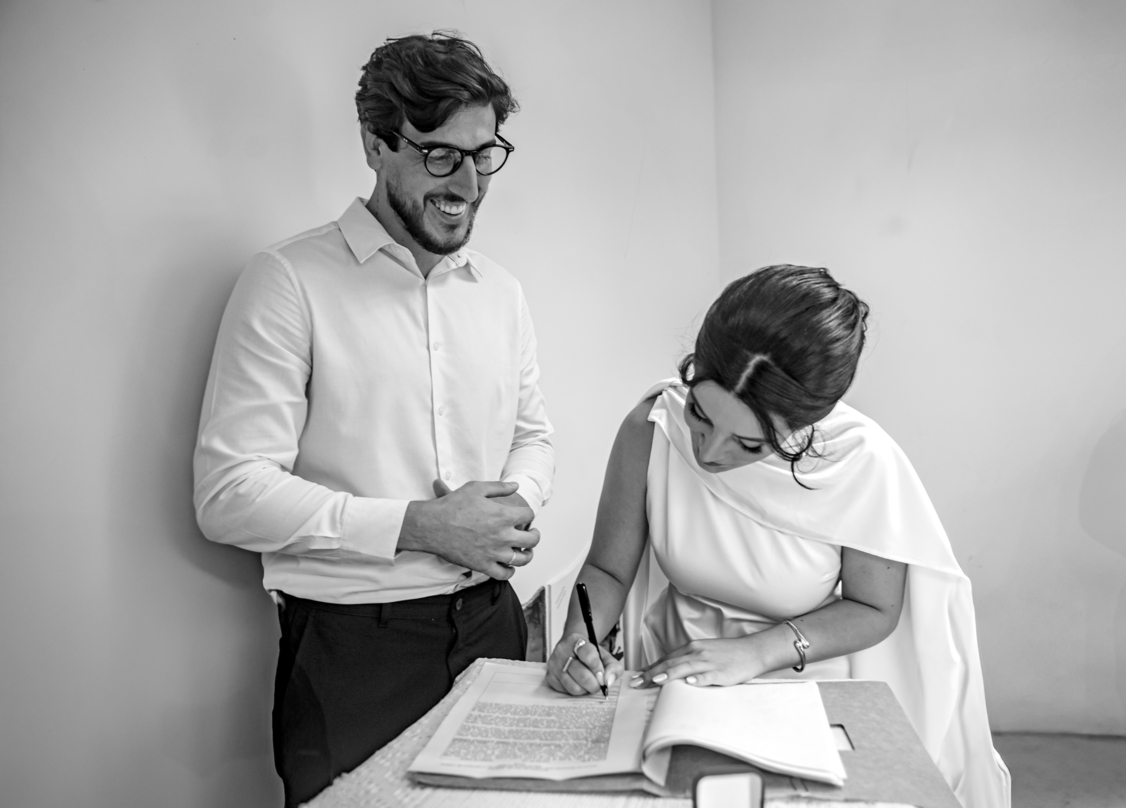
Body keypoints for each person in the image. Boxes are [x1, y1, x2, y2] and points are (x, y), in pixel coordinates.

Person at [193, 32, 553, 807]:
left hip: (495, 626)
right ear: (375, 143)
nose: (467, 183)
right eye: (440, 154)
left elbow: (533, 434)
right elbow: (228, 492)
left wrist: (511, 506)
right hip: (355, 651)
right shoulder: (287, 282)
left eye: (484, 154)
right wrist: (421, 527)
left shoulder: (502, 293)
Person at [547, 265, 1010, 808]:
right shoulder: (651, 427)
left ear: (806, 426)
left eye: (749, 445)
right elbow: (607, 569)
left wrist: (754, 653)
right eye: (699, 414)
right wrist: (577, 640)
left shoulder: (862, 463)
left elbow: (874, 609)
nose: (709, 452)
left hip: (805, 682)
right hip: (675, 672)